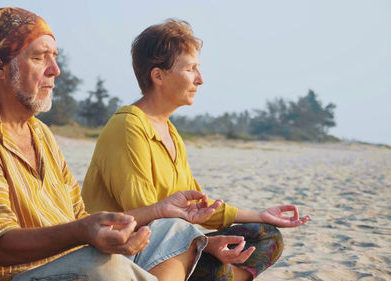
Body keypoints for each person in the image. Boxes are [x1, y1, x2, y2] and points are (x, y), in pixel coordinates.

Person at [0, 8, 225, 281]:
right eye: (38, 57)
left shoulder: (42, 135)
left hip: (61, 267)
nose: (55, 70)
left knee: (172, 230)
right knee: (104, 269)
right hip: (4, 276)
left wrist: (156, 212)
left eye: (54, 58)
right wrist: (83, 233)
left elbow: (78, 219)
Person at [81, 19, 311, 281]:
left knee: (267, 235)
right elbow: (150, 219)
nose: (200, 80)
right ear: (158, 76)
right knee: (213, 265)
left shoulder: (170, 131)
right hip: (126, 251)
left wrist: (260, 214)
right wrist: (205, 243)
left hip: (172, 239)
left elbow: (198, 207)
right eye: (191, 69)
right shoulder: (128, 126)